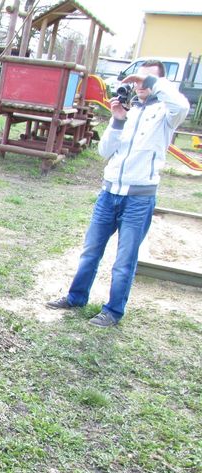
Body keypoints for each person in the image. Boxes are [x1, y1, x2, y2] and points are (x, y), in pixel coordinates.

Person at [47, 60, 190, 327]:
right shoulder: (129, 111)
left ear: (159, 82)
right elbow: (104, 151)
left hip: (139, 197)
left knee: (124, 260)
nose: (140, 84)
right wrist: (117, 120)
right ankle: (76, 297)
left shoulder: (166, 113)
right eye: (138, 79)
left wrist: (153, 83)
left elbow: (182, 106)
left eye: (147, 79)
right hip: (109, 192)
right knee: (90, 251)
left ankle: (113, 311)